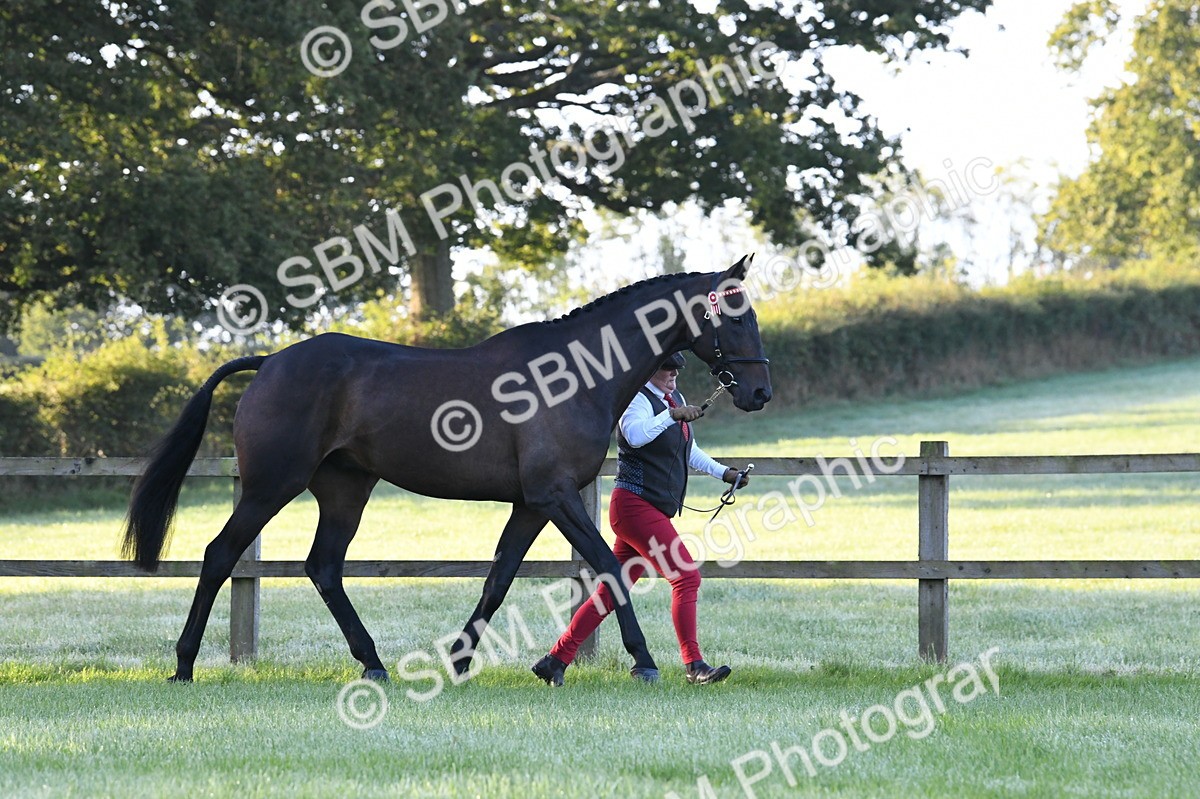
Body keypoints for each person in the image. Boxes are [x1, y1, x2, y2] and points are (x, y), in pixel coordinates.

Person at [532, 351, 749, 687]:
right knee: (686, 576)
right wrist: (671, 415)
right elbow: (635, 435)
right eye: (667, 368)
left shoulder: (673, 397)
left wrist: (725, 473)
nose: (674, 373)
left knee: (610, 593)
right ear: (649, 369)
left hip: (647, 508)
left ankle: (556, 659)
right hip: (634, 507)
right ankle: (694, 665)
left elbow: (687, 449)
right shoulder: (635, 398)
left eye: (677, 368)